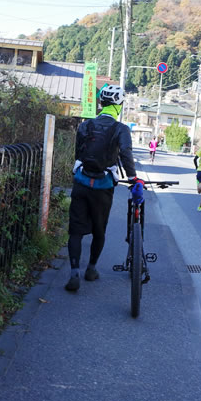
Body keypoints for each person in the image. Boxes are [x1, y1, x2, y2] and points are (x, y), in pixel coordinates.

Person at [66, 85, 139, 292]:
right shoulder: (121, 129)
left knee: (75, 231)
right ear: (119, 105)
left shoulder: (85, 125)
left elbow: (78, 153)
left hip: (81, 181)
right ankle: (91, 269)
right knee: (99, 230)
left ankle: (73, 274)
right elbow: (125, 153)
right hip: (103, 186)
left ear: (101, 104)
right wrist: (132, 177)